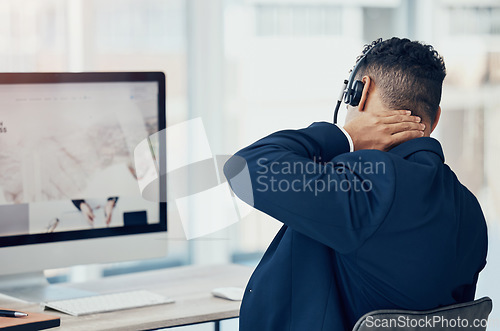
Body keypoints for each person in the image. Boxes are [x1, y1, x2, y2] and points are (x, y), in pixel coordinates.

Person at [223, 37, 488, 331]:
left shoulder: (365, 182)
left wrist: (345, 135)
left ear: (361, 93)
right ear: (435, 119)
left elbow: (243, 169)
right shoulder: (469, 210)